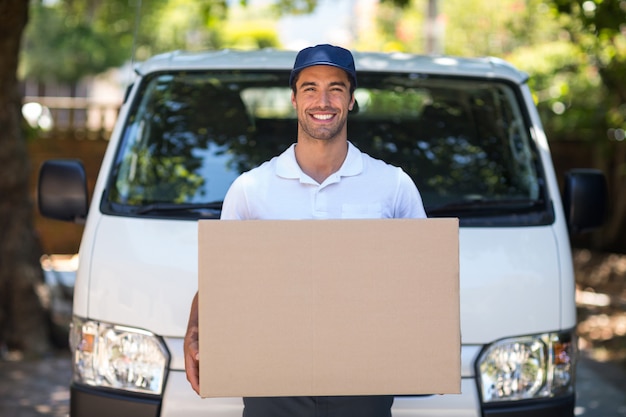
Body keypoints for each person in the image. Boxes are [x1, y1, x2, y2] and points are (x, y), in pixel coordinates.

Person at [184, 44, 427, 417]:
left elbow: (424, 282)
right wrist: (195, 330)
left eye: (336, 88)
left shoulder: (392, 185)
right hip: (272, 381)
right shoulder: (251, 189)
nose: (323, 100)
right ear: (294, 100)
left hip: (362, 381)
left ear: (351, 101)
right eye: (310, 88)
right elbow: (221, 278)